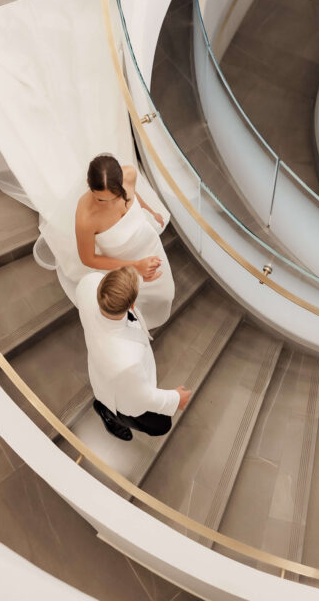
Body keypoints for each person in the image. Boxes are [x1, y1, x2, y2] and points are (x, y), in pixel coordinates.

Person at [77, 265, 191, 441]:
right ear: (132, 304)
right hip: (120, 390)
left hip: (101, 363)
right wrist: (175, 398)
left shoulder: (89, 284)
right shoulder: (128, 362)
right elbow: (141, 397)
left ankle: (104, 406)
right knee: (161, 426)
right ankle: (109, 414)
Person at [75, 153, 175, 329]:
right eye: (100, 199)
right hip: (124, 264)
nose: (108, 204)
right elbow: (88, 259)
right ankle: (137, 326)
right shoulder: (86, 218)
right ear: (89, 184)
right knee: (132, 304)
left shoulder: (129, 174)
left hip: (151, 246)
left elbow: (134, 194)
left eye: (115, 196)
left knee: (165, 293)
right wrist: (135, 267)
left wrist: (151, 211)